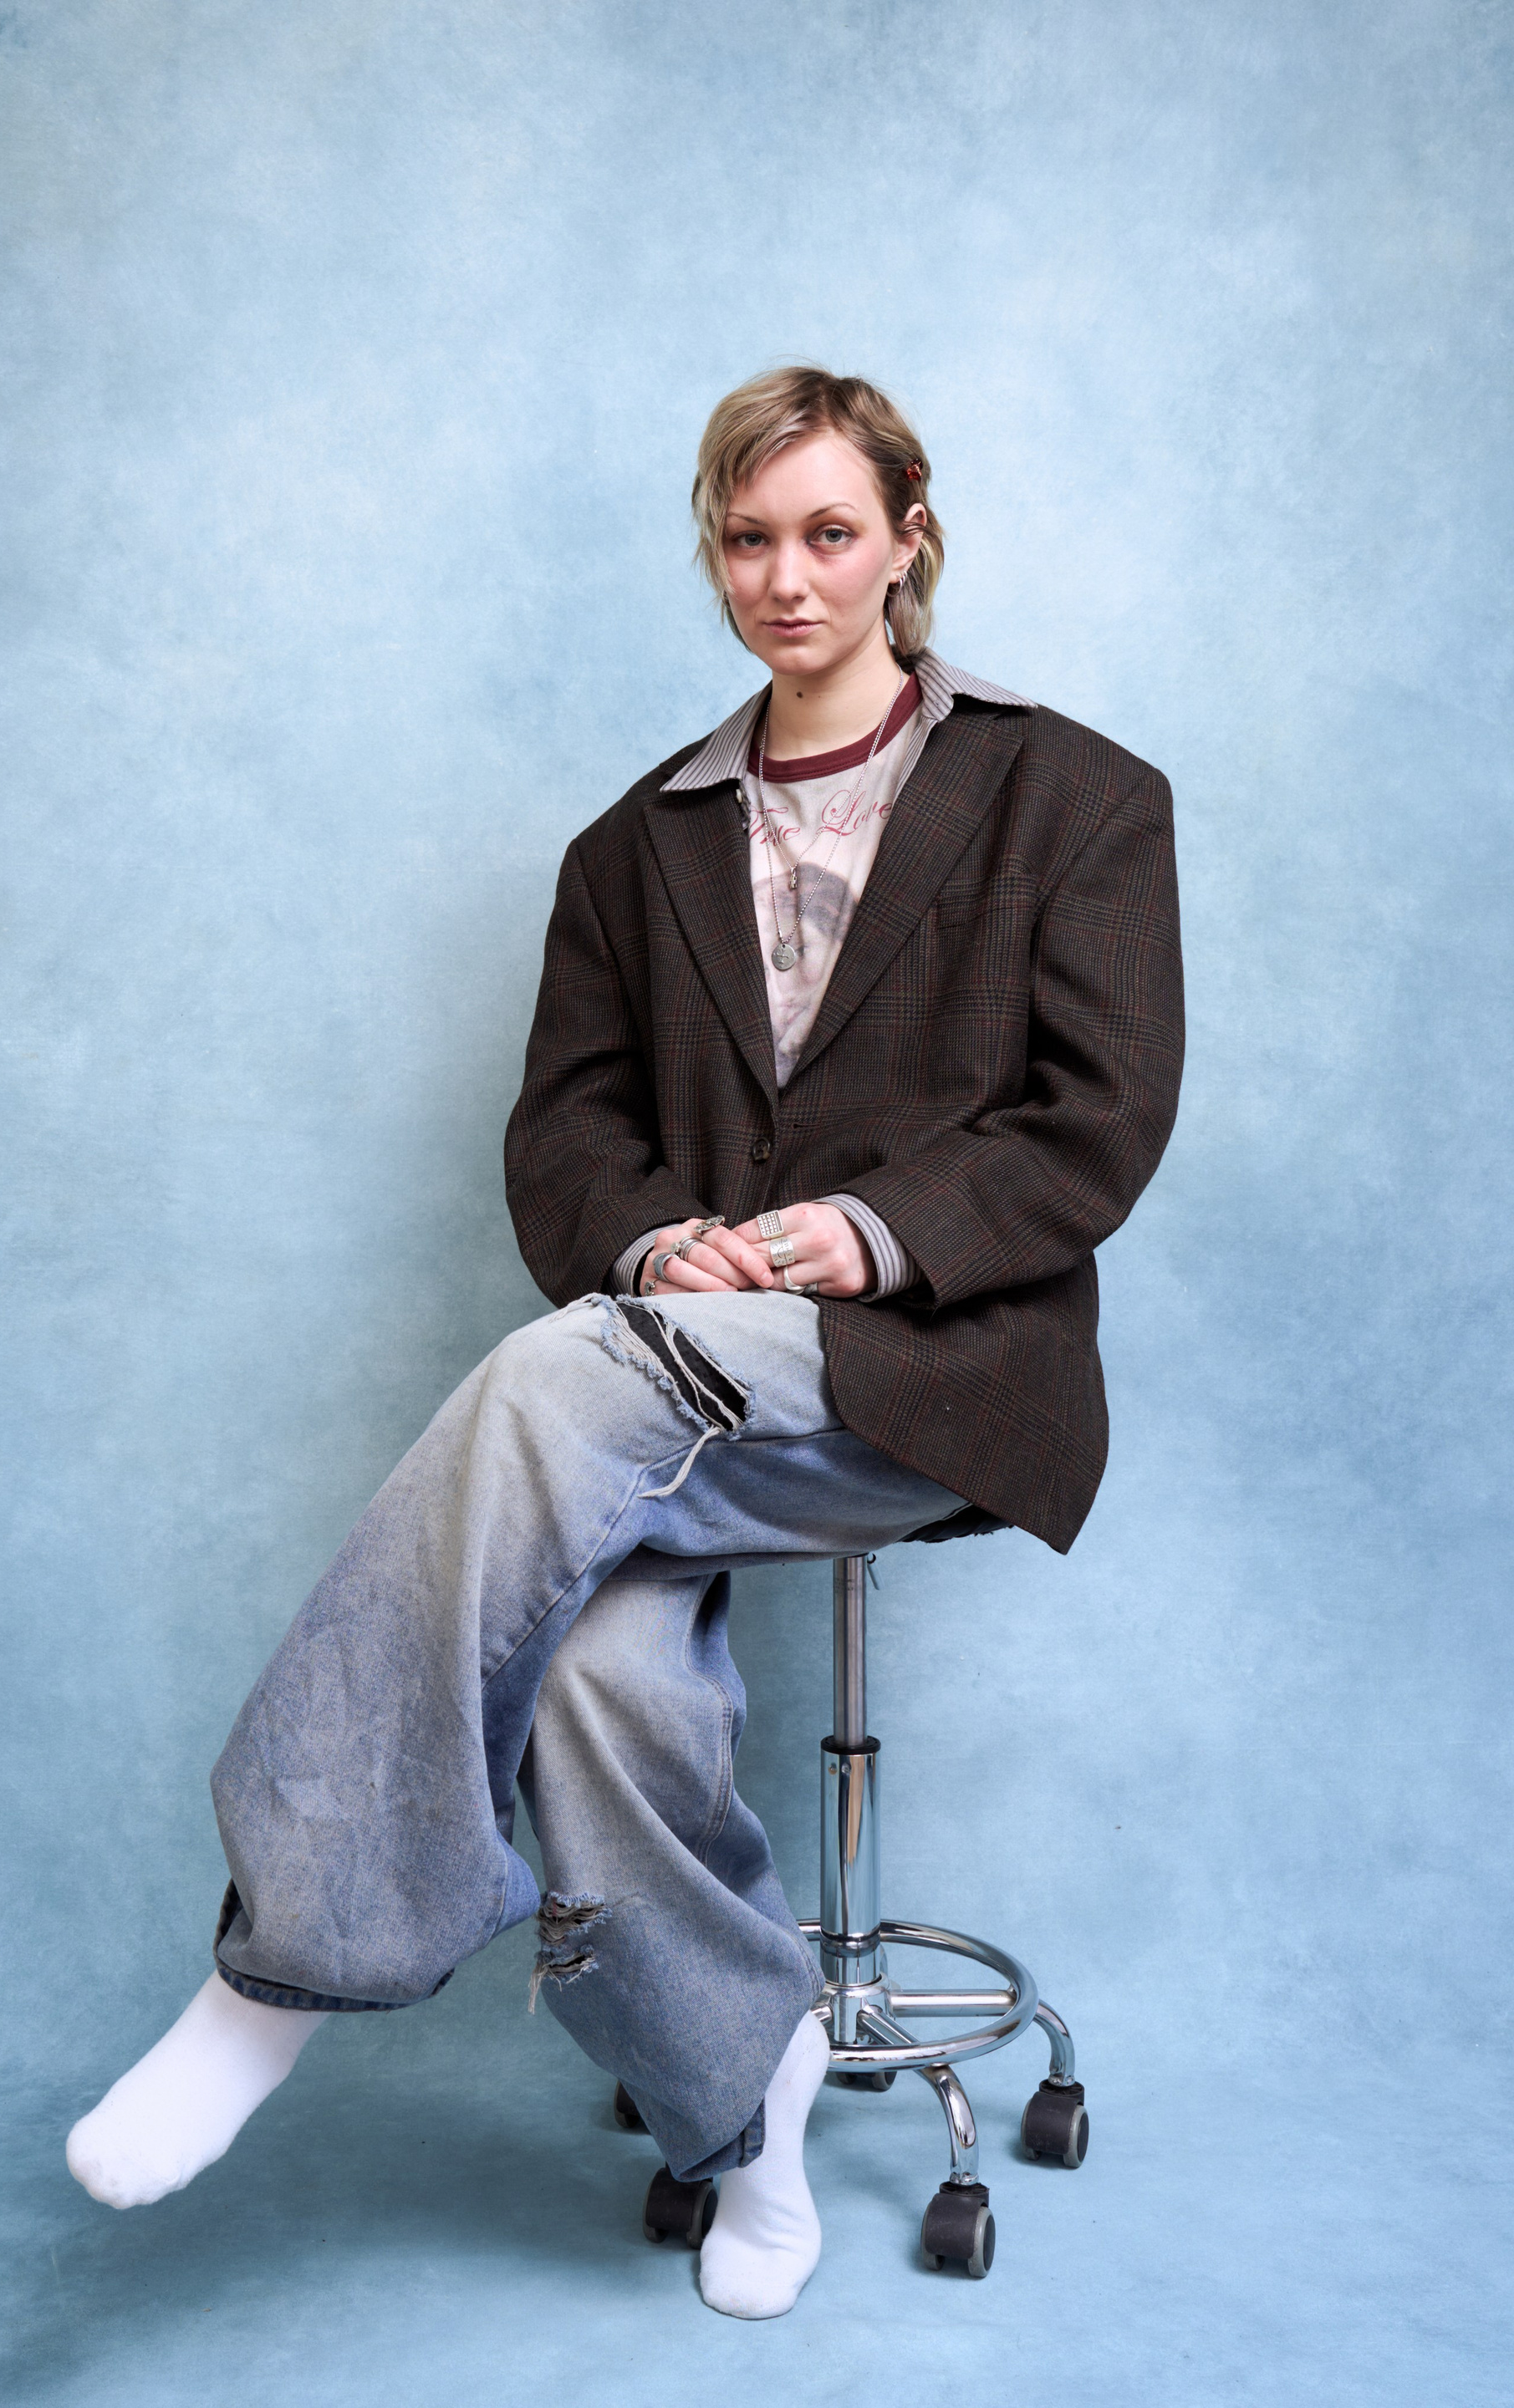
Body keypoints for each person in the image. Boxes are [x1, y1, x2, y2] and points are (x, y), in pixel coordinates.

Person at [67, 367, 1184, 2319]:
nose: (786, 577)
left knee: (550, 1372)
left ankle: (280, 1971)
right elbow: (565, 1135)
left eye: (829, 532)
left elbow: (1098, 1122)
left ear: (909, 537)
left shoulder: (1077, 795)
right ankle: (746, 2110)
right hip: (674, 1380)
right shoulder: (631, 846)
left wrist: (863, 1234)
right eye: (747, 538)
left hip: (934, 1374)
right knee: (589, 1664)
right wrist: (659, 1239)